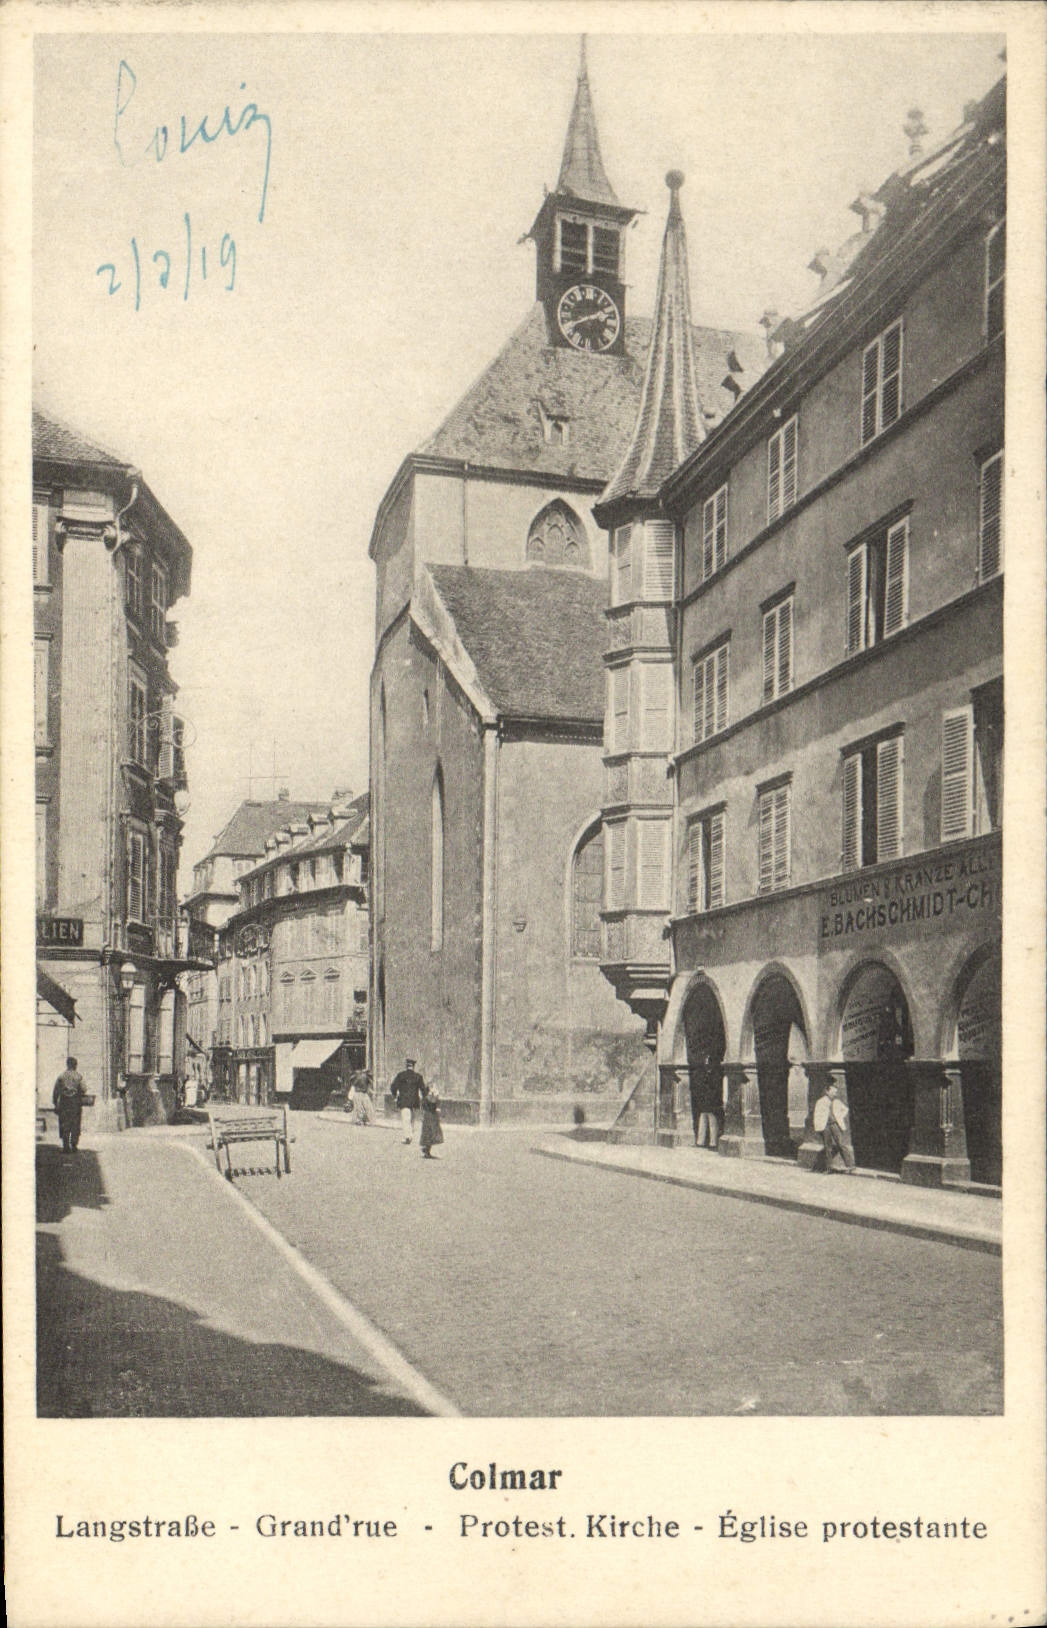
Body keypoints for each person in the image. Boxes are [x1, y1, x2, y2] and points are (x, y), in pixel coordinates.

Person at [813, 1080, 857, 1174]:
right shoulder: (820, 1102)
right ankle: (829, 1168)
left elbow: (845, 1109)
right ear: (827, 1092)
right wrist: (818, 1127)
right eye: (833, 1092)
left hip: (834, 1124)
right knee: (827, 1147)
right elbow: (817, 1115)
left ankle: (850, 1165)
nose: (835, 1094)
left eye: (835, 1092)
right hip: (825, 1126)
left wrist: (839, 1117)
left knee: (841, 1144)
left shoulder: (836, 1102)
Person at [52, 1057, 88, 1154]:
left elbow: (56, 1091)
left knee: (64, 1124)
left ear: (67, 1065)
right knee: (75, 1124)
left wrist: (55, 1103)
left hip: (64, 1102)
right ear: (75, 1065)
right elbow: (84, 1089)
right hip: (75, 1103)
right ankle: (74, 1145)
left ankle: (65, 1145)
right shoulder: (78, 1077)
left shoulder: (61, 1076)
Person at [389, 1057, 425, 1143]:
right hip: (414, 1101)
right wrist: (424, 1099)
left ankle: (407, 1137)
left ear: (406, 1066)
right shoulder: (418, 1076)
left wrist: (395, 1096)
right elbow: (423, 1089)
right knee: (412, 1119)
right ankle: (410, 1135)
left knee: (406, 1119)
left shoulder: (401, 1075)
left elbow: (393, 1087)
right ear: (413, 1066)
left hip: (404, 1100)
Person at [419, 1082, 444, 1159]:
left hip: (430, 1116)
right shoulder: (429, 1097)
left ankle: (426, 1149)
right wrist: (435, 1095)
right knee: (430, 1133)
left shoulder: (427, 1097)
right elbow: (432, 1103)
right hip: (430, 1116)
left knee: (429, 1133)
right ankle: (426, 1150)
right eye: (433, 1087)